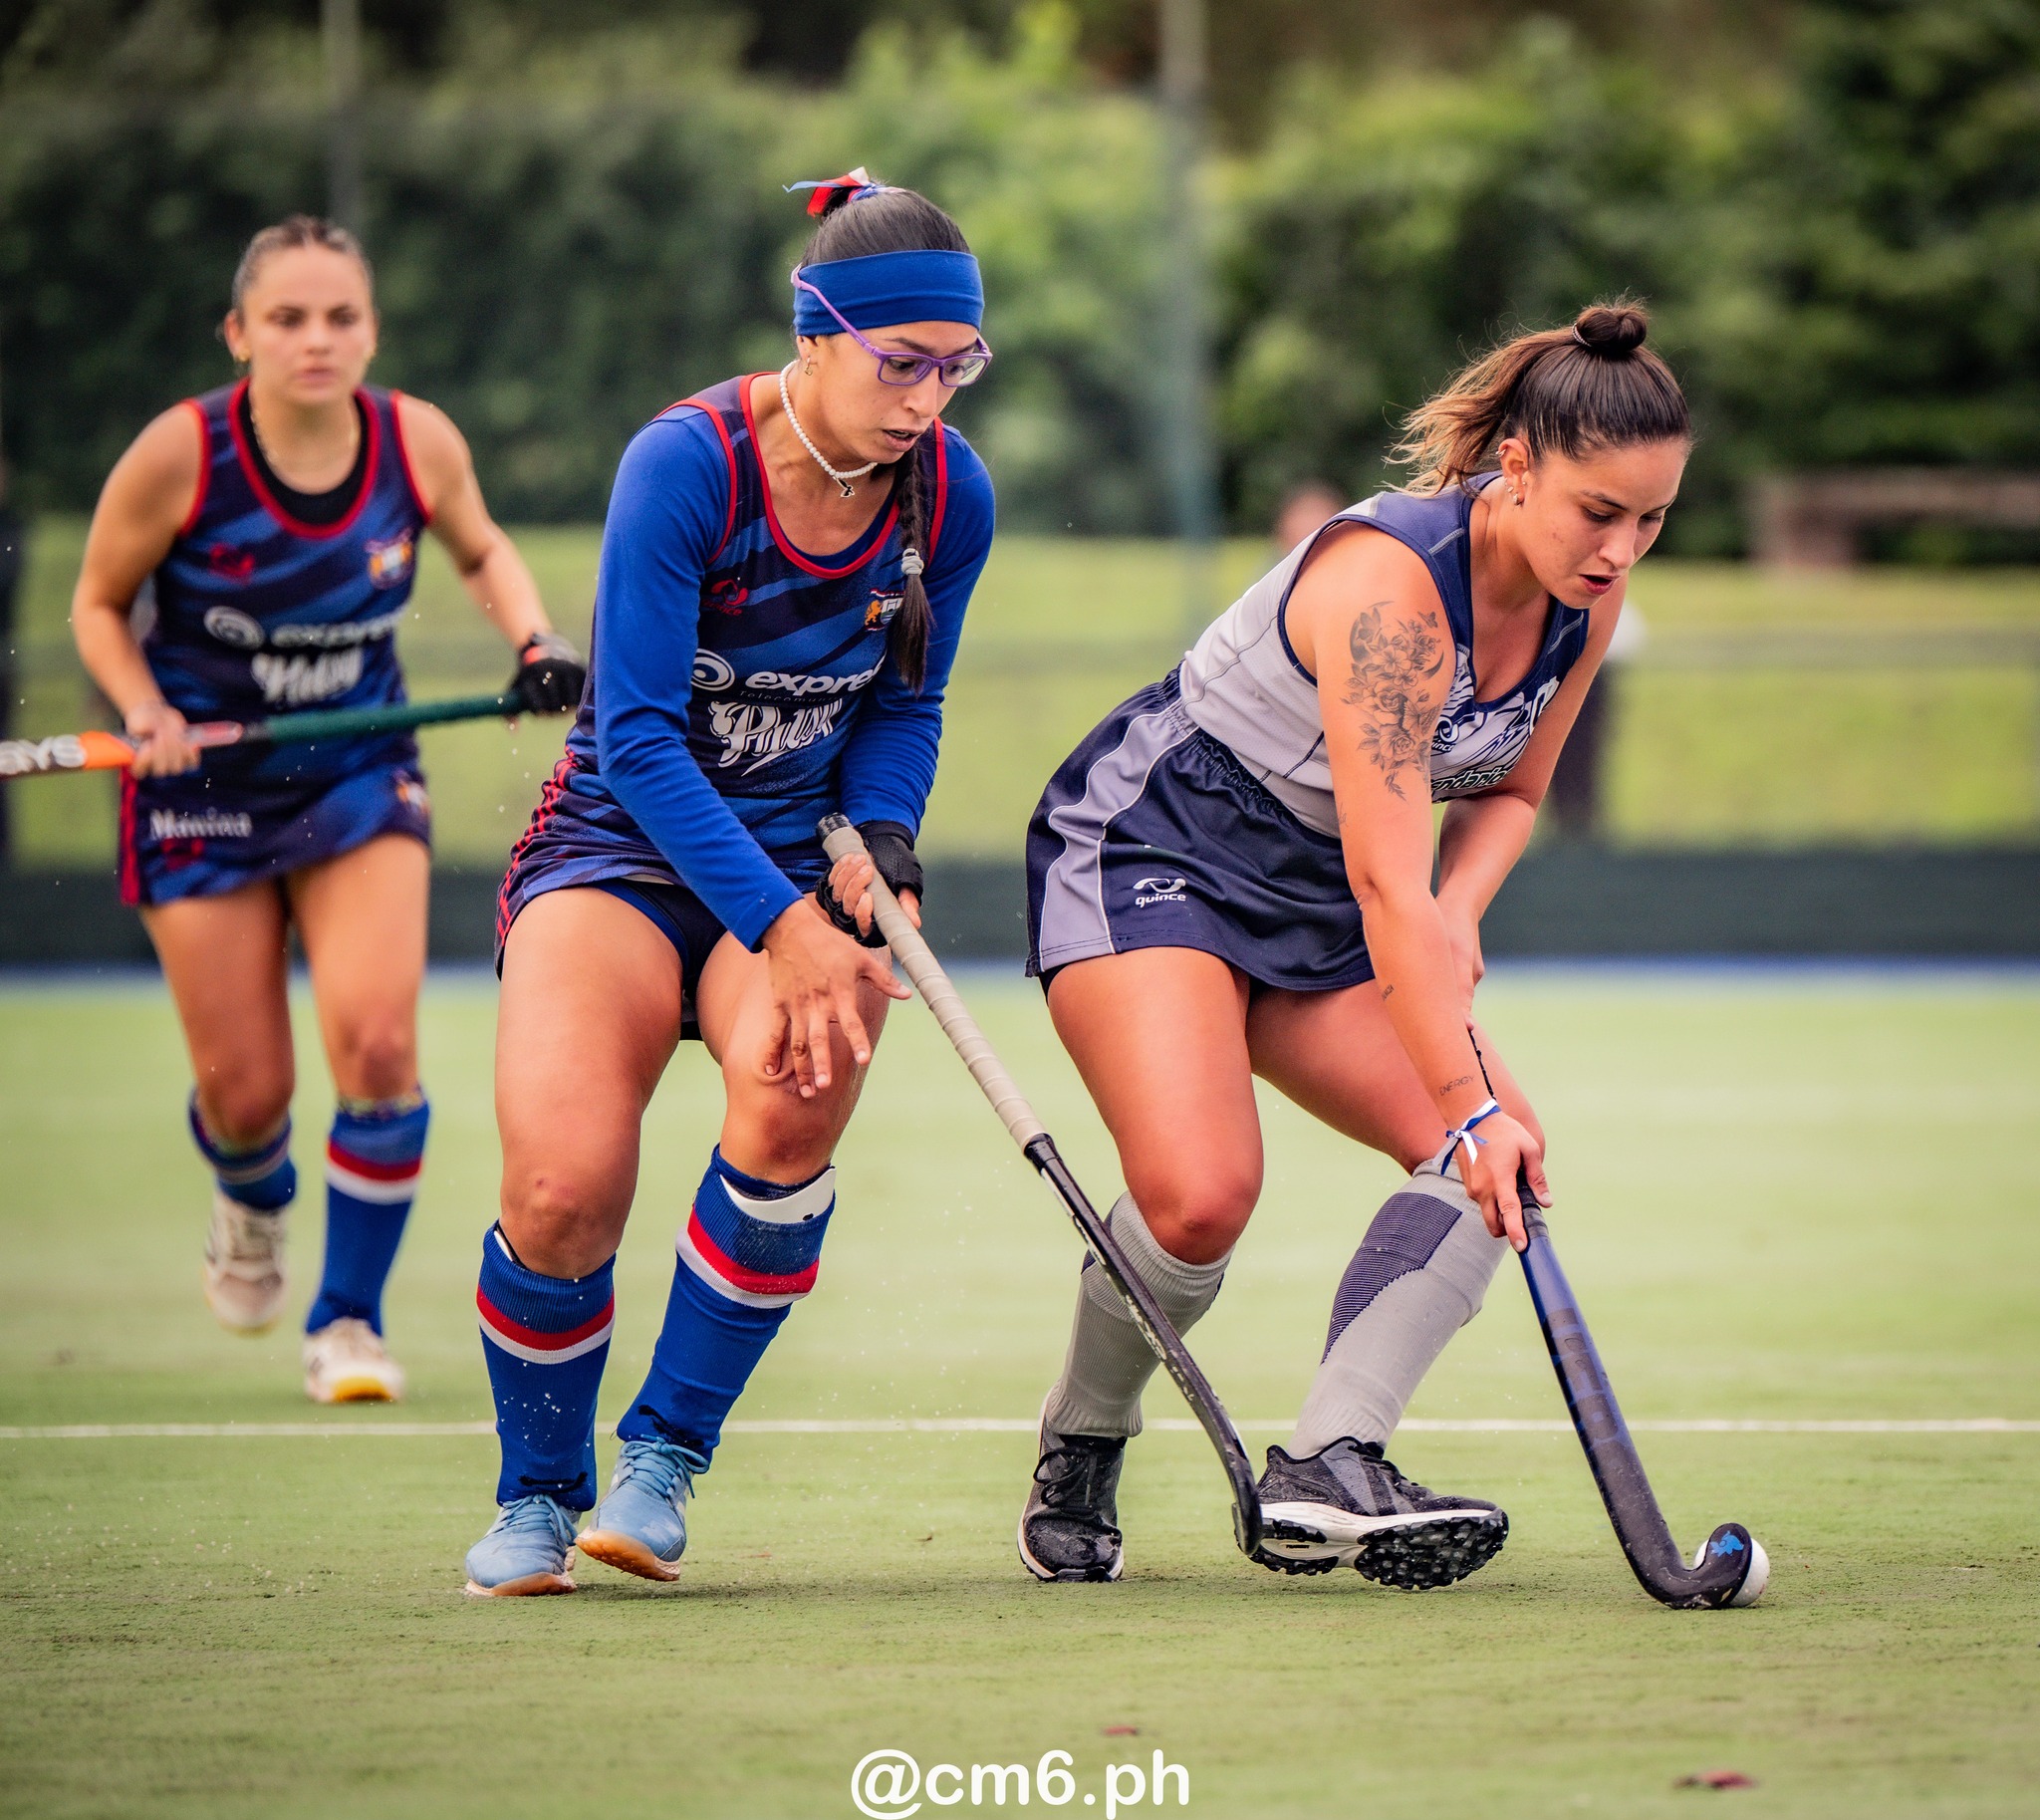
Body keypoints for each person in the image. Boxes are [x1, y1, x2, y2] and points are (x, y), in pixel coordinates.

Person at [1018, 301, 1691, 1586]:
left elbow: (1504, 796)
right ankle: (1083, 1434)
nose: (1620, 550)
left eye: (1650, 519)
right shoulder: (1391, 591)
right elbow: (1389, 887)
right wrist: (1459, 1082)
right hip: (1157, 852)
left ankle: (1331, 1458)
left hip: (1329, 898)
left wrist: (1459, 916)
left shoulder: (1580, 607)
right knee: (1200, 1195)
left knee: (1502, 1163)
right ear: (1514, 470)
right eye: (1597, 513)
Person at [464, 170, 996, 1597]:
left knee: (797, 1097)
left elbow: (905, 700)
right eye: (902, 364)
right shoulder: (685, 463)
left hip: (792, 858)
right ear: (814, 334)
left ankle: (663, 1459)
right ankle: (537, 1485)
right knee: (566, 1180)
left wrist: (879, 850)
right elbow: (634, 737)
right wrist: (784, 928)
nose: (929, 398)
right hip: (619, 850)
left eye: (960, 367)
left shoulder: (951, 495)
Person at [70, 216, 583, 1405]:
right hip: (197, 789)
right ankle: (250, 1199)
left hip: (357, 774)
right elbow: (99, 604)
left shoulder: (414, 441)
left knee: (379, 1046)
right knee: (249, 1097)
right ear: (239, 333)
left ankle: (346, 1321)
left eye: (341, 317)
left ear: (371, 331)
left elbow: (480, 544)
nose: (316, 339)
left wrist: (534, 637)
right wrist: (140, 707)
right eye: (288, 318)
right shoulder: (181, 455)